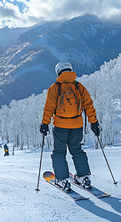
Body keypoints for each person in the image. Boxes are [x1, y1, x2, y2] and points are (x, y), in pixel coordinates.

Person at [40, 61, 101, 191]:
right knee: (77, 150)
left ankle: (63, 179)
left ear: (58, 72)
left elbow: (49, 107)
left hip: (60, 125)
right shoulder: (79, 87)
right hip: (77, 125)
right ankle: (84, 177)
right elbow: (89, 106)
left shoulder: (55, 88)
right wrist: (94, 122)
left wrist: (45, 123)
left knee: (59, 152)